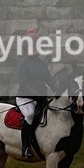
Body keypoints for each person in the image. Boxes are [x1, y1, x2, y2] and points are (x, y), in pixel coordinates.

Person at [16, 28, 59, 158]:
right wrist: (36, 94)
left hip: (41, 98)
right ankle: (25, 147)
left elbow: (50, 80)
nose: (35, 48)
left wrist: (59, 90)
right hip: (25, 98)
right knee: (29, 115)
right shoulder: (23, 63)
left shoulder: (42, 64)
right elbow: (23, 82)